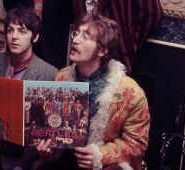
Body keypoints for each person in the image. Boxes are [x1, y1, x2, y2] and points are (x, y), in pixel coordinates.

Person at [36, 12, 150, 170]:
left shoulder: (131, 92)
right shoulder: (62, 77)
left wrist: (99, 155)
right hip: (68, 156)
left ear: (102, 50)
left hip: (105, 164)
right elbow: (55, 125)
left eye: (85, 36)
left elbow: (137, 144)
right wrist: (49, 145)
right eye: (76, 33)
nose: (75, 39)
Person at [0, 7, 58, 170]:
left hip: (23, 154)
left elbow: (48, 126)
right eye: (10, 31)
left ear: (35, 37)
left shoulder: (50, 73)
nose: (14, 37)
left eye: (22, 31)